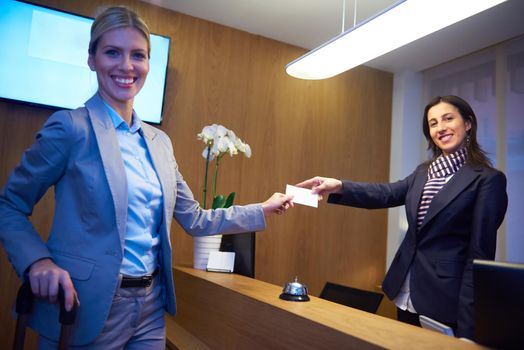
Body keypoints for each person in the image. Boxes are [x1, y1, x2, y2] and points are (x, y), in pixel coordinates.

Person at [0, 6, 293, 349]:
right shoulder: (70, 128)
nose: (126, 66)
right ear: (92, 59)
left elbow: (195, 218)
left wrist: (264, 208)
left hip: (151, 307)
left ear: (148, 64)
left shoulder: (159, 143)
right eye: (112, 52)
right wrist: (38, 261)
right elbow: (9, 205)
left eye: (137, 55)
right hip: (87, 306)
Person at [297, 95, 507, 340]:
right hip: (405, 292)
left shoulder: (487, 179)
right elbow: (386, 193)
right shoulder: (424, 172)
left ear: (468, 123)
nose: (441, 128)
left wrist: (470, 328)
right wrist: (339, 186)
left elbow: (479, 256)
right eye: (433, 123)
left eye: (448, 119)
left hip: (445, 299)